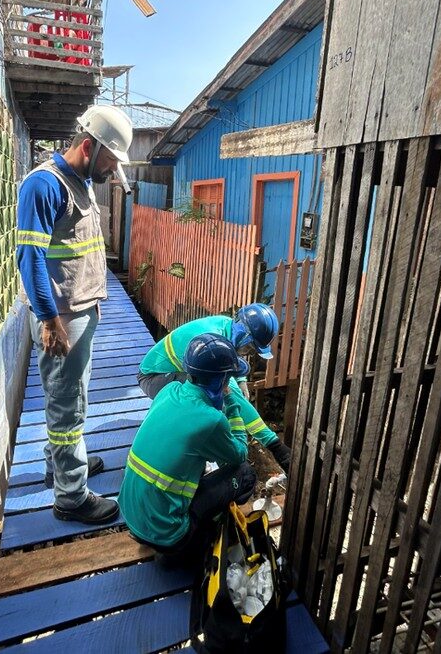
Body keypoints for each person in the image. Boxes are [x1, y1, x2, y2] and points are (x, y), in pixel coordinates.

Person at [15, 104, 133, 524]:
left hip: (79, 312)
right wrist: (50, 320)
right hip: (62, 319)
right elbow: (29, 258)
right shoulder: (45, 185)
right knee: (68, 405)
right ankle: (71, 496)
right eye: (111, 160)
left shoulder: (80, 182)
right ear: (88, 146)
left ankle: (59, 465)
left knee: (69, 395)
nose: (113, 169)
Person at [119, 334, 257, 563]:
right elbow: (239, 454)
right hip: (170, 535)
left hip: (132, 516)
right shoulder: (211, 420)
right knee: (245, 473)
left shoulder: (168, 391)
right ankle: (193, 539)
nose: (228, 385)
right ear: (219, 381)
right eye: (228, 379)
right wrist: (232, 407)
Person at [136, 304, 292, 472]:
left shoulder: (227, 326)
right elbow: (232, 395)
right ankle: (208, 454)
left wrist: (241, 379)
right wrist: (275, 445)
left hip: (172, 376)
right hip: (154, 378)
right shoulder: (210, 339)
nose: (248, 353)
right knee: (208, 396)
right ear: (243, 335)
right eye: (250, 347)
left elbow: (232, 356)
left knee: (213, 397)